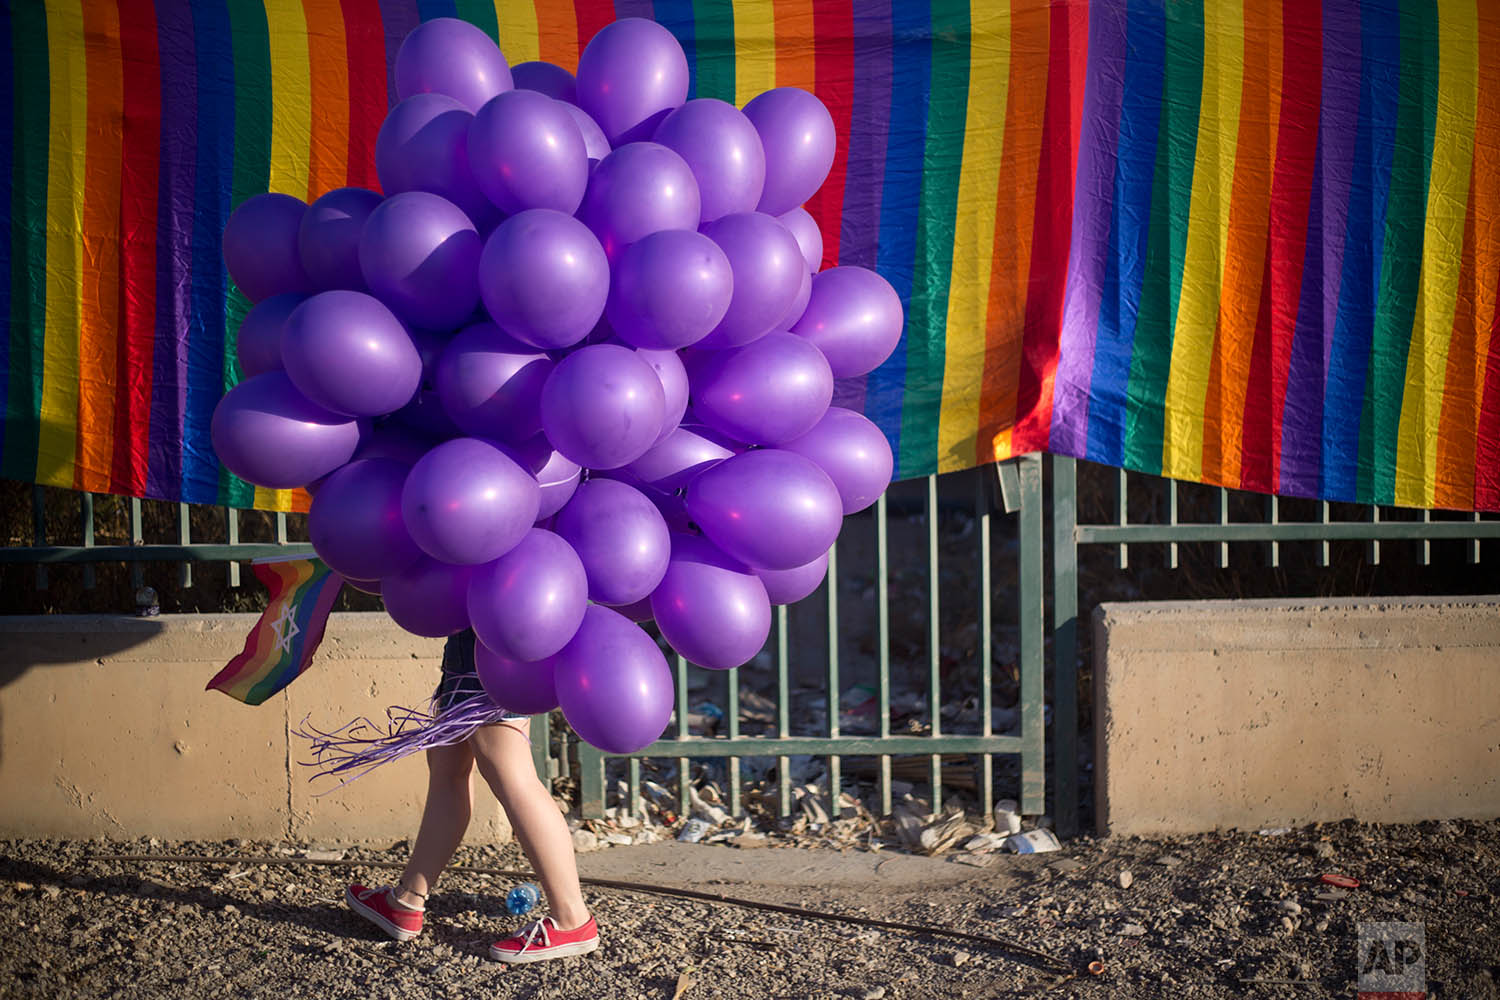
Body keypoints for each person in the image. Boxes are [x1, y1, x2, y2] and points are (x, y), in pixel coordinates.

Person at [344, 629, 598, 964]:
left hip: (497, 622)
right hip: (475, 626)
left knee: (509, 770)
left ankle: (572, 920)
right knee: (448, 765)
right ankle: (405, 901)